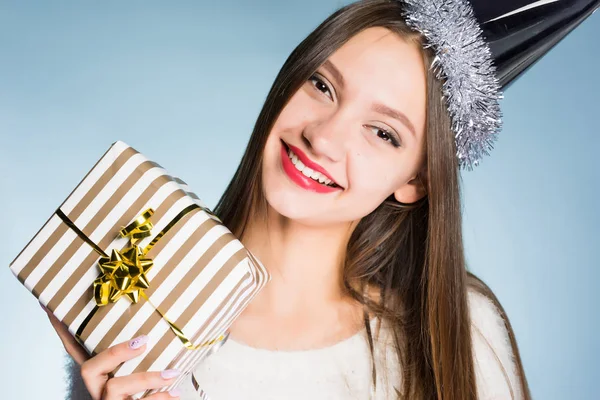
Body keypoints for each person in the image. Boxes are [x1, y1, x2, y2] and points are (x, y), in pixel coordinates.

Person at [44, 0, 532, 398]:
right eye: (322, 85)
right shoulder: (139, 315)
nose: (323, 137)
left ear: (417, 180)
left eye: (383, 133)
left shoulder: (460, 336)